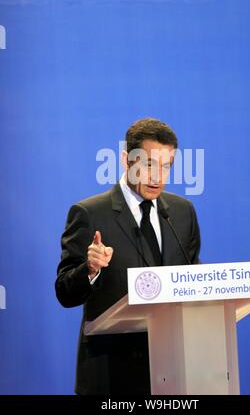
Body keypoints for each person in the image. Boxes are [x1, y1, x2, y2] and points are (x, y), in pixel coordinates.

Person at [55, 118, 201, 395]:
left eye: (167, 166)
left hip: (174, 373)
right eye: (148, 165)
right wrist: (90, 269)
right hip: (111, 376)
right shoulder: (90, 213)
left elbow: (192, 278)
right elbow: (64, 292)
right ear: (126, 160)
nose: (158, 177)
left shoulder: (182, 213)